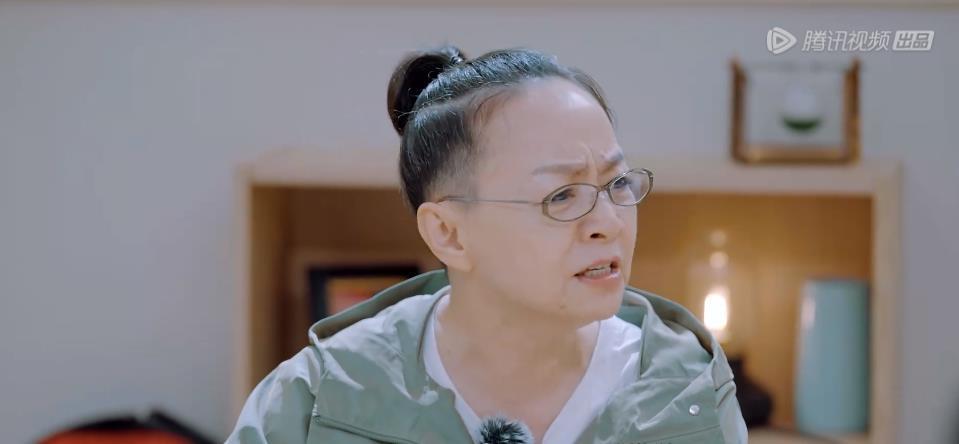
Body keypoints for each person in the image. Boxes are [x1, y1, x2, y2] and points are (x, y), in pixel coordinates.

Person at [227, 44, 748, 444]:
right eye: (562, 196)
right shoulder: (320, 399)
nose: (609, 223)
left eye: (617, 184)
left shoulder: (690, 394)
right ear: (448, 233)